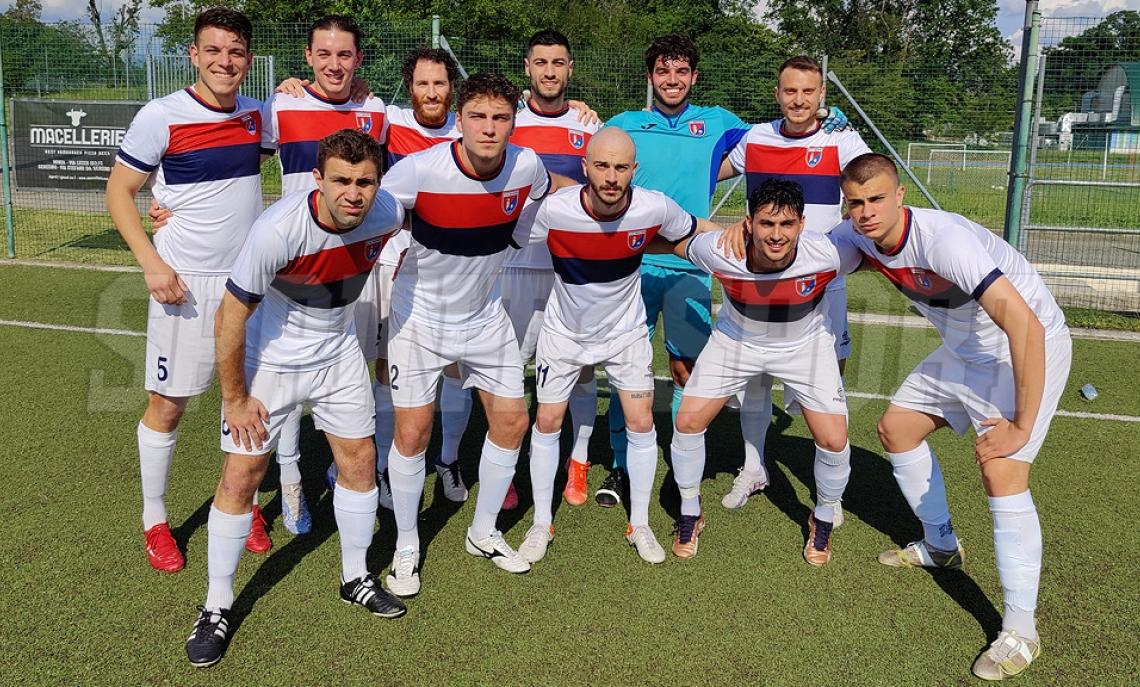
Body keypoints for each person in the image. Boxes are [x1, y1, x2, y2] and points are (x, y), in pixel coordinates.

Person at [832, 153, 1072, 681]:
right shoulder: (855, 236)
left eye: (876, 199)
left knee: (1001, 470)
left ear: (900, 196)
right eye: (855, 203)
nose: (866, 212)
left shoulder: (944, 241)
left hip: (1022, 348)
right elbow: (794, 254)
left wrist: (1020, 426)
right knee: (897, 429)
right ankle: (941, 545)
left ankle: (1021, 630)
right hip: (964, 351)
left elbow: (1026, 326)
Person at [184, 129, 407, 668]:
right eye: (341, 181)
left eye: (365, 182)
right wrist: (235, 400)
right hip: (272, 363)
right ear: (317, 179)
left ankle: (355, 577)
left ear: (379, 183)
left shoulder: (389, 213)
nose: (353, 193)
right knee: (241, 477)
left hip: (340, 355)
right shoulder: (277, 230)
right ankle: (216, 605)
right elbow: (228, 319)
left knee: (360, 462)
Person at [602, 35, 848, 508]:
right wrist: (576, 109)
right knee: (626, 370)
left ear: (694, 77)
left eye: (681, 71)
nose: (672, 80)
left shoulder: (721, 124)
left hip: (691, 264)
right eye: (662, 71)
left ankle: (680, 464)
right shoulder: (623, 124)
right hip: (632, 265)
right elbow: (590, 155)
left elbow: (780, 134)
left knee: (687, 369)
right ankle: (619, 464)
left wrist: (825, 120)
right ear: (650, 77)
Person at [379, 73, 576, 595]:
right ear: (459, 120)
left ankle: (482, 532)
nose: (489, 128)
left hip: (486, 317)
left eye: (501, 118)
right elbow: (369, 213)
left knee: (512, 422)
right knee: (412, 435)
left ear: (514, 122)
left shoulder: (527, 165)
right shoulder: (419, 170)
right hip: (419, 319)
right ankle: (406, 546)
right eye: (478, 117)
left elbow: (545, 193)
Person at [106, 8, 271, 573]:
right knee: (169, 404)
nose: (225, 61)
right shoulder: (161, 115)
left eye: (236, 51)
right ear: (194, 55)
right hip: (183, 283)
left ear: (248, 59)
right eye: (214, 50)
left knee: (245, 401)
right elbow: (119, 192)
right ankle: (155, 519)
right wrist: (151, 262)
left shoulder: (257, 115)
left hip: (247, 285)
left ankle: (242, 499)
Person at [513, 128, 721, 565]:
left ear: (634, 170)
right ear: (585, 167)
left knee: (641, 422)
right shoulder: (554, 210)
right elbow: (501, 236)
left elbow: (692, 229)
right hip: (564, 334)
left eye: (621, 167)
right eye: (602, 166)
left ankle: (639, 524)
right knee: (547, 421)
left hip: (625, 335)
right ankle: (541, 523)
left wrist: (736, 237)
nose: (611, 177)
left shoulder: (653, 206)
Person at [669, 179, 859, 564]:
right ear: (749, 223)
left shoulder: (828, 253)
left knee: (834, 439)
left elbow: (880, 250)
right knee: (687, 422)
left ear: (802, 224)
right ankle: (690, 514)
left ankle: (822, 518)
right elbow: (672, 239)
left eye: (786, 224)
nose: (776, 235)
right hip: (736, 343)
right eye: (766, 224)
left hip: (806, 347)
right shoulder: (719, 250)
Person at [716, 54, 872, 510]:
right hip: (761, 282)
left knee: (829, 389)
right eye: (790, 91)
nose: (799, 100)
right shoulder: (755, 138)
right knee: (756, 379)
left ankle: (830, 495)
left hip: (822, 287)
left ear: (822, 95)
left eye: (808, 91)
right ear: (777, 94)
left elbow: (871, 185)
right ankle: (754, 468)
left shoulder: (841, 138)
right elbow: (705, 169)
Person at [260, 15, 386, 536]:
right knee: (287, 386)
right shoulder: (281, 105)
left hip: (350, 269)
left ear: (358, 59)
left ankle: (341, 467)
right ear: (308, 57)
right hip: (292, 269)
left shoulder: (375, 110)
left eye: (345, 55)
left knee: (350, 372)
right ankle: (290, 480)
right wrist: (169, 204)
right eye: (325, 54)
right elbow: (235, 167)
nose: (335, 65)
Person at [503, 30, 602, 509]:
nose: (549, 71)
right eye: (540, 62)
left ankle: (577, 461)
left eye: (557, 63)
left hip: (570, 272)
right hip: (512, 268)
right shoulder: (506, 121)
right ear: (527, 67)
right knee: (505, 372)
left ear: (570, 68)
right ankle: (505, 466)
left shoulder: (590, 126)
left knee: (580, 371)